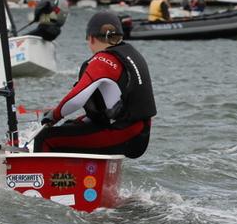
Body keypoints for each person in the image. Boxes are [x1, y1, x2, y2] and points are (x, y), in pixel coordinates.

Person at [33, 11, 156, 157]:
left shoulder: (102, 61)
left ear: (91, 38)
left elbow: (76, 99)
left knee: (45, 138)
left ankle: (44, 179)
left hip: (123, 133)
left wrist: (53, 115)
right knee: (70, 128)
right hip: (138, 133)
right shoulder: (130, 54)